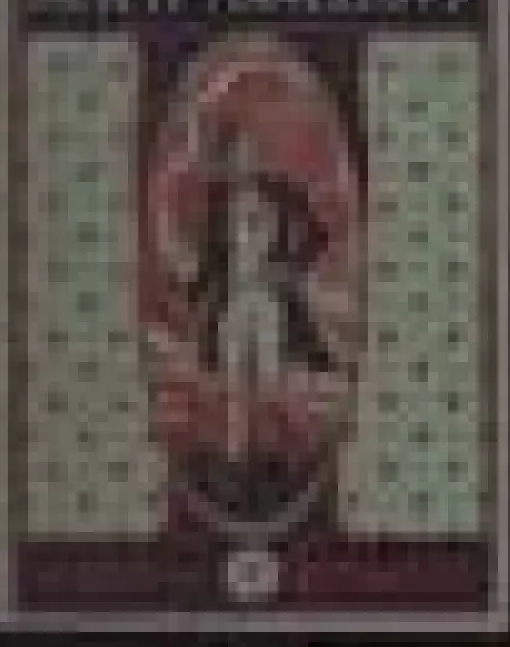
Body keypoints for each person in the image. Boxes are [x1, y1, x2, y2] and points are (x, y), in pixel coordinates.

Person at [141, 32, 364, 533]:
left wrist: (286, 262)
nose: (238, 160)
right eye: (231, 152)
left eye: (244, 151)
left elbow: (317, 235)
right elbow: (207, 259)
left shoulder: (278, 199)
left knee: (270, 381)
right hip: (232, 304)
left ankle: (273, 459)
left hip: (268, 301)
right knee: (233, 385)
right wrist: (194, 293)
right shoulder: (217, 206)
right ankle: (234, 461)